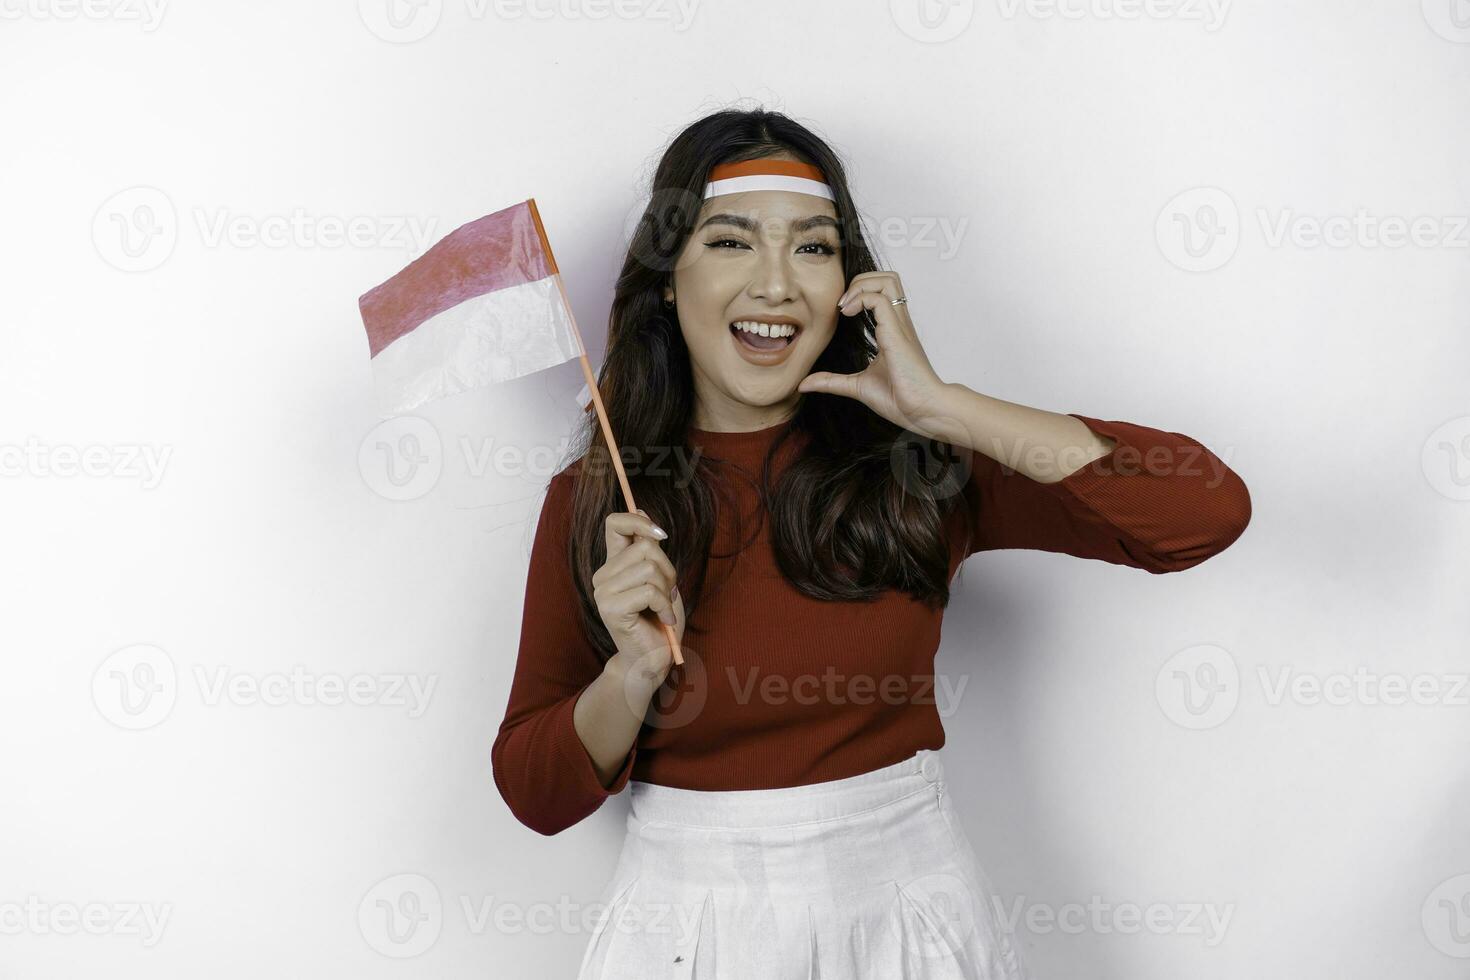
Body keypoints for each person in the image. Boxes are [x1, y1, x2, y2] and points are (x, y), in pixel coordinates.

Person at [491, 107, 1251, 979]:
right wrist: (627, 676)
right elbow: (534, 794)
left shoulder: (912, 467)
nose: (776, 285)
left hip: (910, 924)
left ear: (850, 279)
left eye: (812, 247)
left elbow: (1204, 512)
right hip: (681, 936)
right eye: (732, 242)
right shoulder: (601, 504)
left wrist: (947, 408)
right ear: (668, 279)